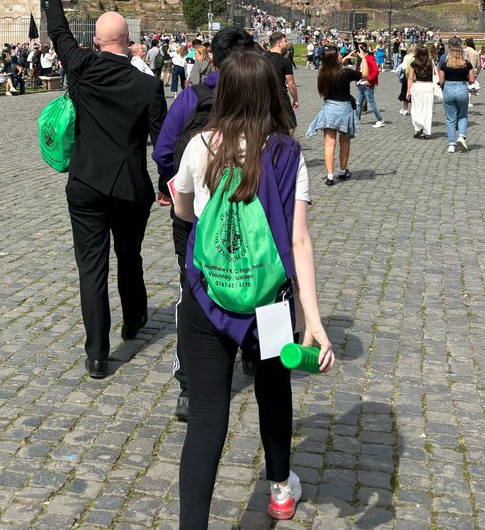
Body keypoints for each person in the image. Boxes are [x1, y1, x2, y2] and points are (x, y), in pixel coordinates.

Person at [171, 50, 333, 526]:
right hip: (271, 303)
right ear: (272, 93)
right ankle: (281, 488)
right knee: (273, 390)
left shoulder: (200, 146)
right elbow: (299, 239)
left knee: (205, 420)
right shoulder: (286, 153)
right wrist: (314, 322)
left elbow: (182, 210)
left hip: (208, 298)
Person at [41, 0, 167, 379]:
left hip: (87, 184)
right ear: (130, 42)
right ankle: (134, 320)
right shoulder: (149, 86)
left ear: (96, 41)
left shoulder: (81, 69)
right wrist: (168, 184)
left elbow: (58, 34)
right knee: (129, 256)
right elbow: (162, 142)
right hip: (132, 188)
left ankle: (97, 354)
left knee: (91, 268)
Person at [152, 28, 257, 422]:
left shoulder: (189, 99)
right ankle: (253, 353)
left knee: (192, 289)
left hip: (193, 214)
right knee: (257, 275)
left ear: (212, 59)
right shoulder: (264, 101)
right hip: (251, 211)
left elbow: (164, 151)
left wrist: (179, 187)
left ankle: (189, 387)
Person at [305, 50, 360, 186]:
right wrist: (363, 58)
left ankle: (330, 176)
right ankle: (342, 171)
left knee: (329, 144)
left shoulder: (324, 74)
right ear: (336, 59)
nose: (342, 55)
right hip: (344, 110)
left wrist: (345, 58)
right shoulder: (346, 73)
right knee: (344, 142)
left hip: (329, 109)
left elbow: (334, 68)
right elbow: (364, 74)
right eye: (340, 55)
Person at [440, 44, 474, 153]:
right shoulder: (467, 64)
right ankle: (462, 136)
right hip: (462, 88)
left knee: (450, 119)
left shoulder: (445, 64)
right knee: (462, 115)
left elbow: (441, 80)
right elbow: (472, 80)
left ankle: (451, 144)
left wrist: (443, 88)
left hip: (448, 89)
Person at [265, 32, 299, 128]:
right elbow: (291, 83)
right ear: (279, 43)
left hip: (263, 96)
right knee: (290, 125)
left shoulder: (260, 57)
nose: (287, 43)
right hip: (280, 96)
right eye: (285, 41)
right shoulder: (285, 61)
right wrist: (295, 100)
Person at [406, 46, 437, 139]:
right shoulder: (431, 63)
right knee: (427, 109)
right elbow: (436, 74)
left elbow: (410, 78)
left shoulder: (414, 63)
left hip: (418, 86)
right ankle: (425, 130)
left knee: (416, 108)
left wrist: (408, 91)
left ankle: (418, 128)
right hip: (428, 86)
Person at [353, 42, 385, 128]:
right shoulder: (362, 58)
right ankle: (357, 120)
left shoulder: (369, 58)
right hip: (361, 83)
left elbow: (376, 71)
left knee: (371, 103)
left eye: (359, 49)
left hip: (367, 84)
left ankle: (380, 120)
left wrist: (369, 80)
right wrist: (357, 80)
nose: (357, 52)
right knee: (358, 103)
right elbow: (360, 70)